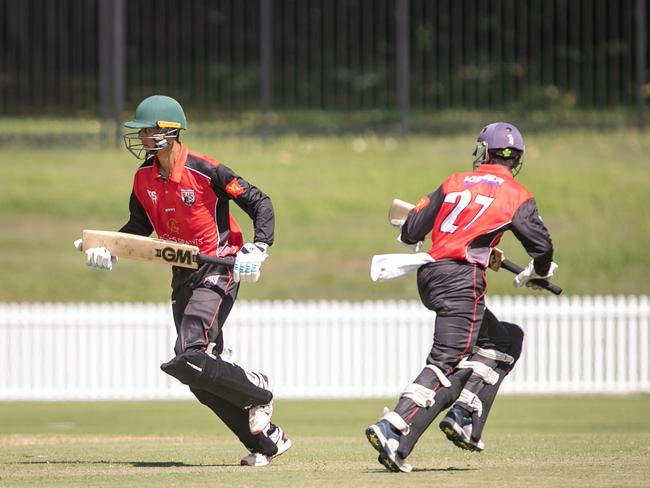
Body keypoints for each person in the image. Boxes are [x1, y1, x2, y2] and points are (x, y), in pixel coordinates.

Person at [74, 94, 291, 467]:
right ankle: (266, 442)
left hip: (219, 266)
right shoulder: (143, 177)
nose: (141, 136)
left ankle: (259, 387)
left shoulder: (206, 170)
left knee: (191, 351)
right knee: (197, 375)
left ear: (170, 132)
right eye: (140, 130)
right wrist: (109, 248)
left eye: (148, 130)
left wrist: (260, 247)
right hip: (184, 274)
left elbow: (260, 201)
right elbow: (140, 229)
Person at [365, 122, 557, 472]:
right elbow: (541, 246)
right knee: (446, 361)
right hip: (460, 281)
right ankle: (392, 425)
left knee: (504, 341)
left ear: (484, 151)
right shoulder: (517, 194)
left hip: (432, 274)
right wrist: (538, 270)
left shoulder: (454, 182)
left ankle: (462, 417)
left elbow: (411, 230)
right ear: (517, 159)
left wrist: (486, 247)